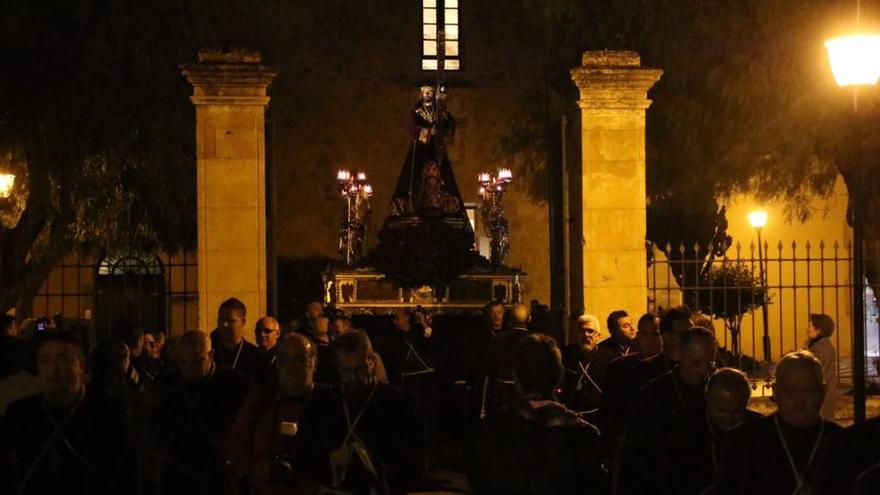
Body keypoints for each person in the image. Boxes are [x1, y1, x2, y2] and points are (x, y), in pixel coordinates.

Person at [469, 334, 607, 494]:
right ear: (559, 375)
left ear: (516, 377)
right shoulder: (583, 433)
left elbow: (479, 479)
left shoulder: (491, 428)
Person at [2, 333, 136, 495]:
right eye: (45, 361)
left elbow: (127, 473)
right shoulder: (20, 414)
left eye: (63, 360)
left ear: (81, 366)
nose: (53, 369)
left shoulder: (110, 412)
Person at [295, 330, 426, 494]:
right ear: (337, 366)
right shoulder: (322, 404)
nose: (353, 377)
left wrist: (374, 462)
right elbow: (302, 458)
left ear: (371, 361)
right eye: (346, 371)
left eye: (359, 369)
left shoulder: (401, 404)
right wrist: (329, 460)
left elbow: (416, 466)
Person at [717, 351, 842, 495]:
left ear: (823, 392)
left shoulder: (840, 442)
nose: (799, 402)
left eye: (808, 392)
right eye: (790, 392)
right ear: (775, 392)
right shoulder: (743, 441)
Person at [153, 330, 250, 494]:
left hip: (217, 475)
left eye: (196, 362)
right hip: (176, 473)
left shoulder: (233, 384)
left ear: (210, 356)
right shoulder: (168, 382)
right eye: (183, 362)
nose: (188, 369)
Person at [225, 333, 321, 494]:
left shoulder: (327, 402)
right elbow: (234, 443)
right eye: (284, 359)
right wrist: (260, 469)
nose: (291, 366)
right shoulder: (261, 400)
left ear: (314, 363)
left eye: (299, 359)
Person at [654, 368, 761, 495]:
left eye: (737, 412)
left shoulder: (758, 429)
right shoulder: (681, 428)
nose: (729, 419)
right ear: (708, 399)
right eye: (721, 411)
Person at [487, 303, 531, 413]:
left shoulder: (498, 339)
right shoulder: (535, 340)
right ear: (529, 319)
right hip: (526, 393)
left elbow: (491, 364)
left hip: (502, 392)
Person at [559, 313, 603, 422]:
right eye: (582, 331)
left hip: (598, 418)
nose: (586, 335)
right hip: (569, 417)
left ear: (598, 336)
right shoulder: (563, 355)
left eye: (590, 331)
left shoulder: (608, 358)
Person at [210, 297, 268, 379]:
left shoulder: (256, 357)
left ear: (243, 322)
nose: (224, 325)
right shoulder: (209, 354)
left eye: (230, 321)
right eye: (221, 320)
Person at [804, 313, 838, 421]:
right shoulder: (823, 345)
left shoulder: (818, 348)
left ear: (818, 331)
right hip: (825, 392)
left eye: (810, 327)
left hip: (820, 394)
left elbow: (808, 368)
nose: (807, 329)